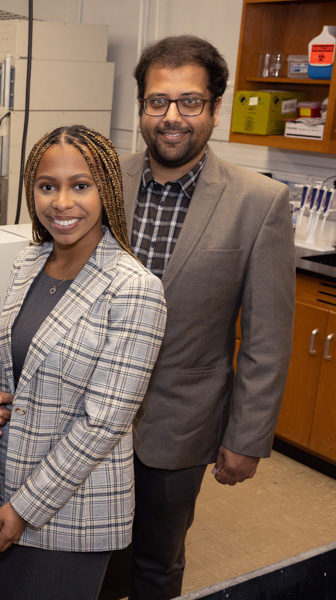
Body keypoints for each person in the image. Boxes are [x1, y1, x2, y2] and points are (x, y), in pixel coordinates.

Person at [120, 35, 296, 599]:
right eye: (158, 101)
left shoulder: (259, 202)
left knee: (156, 562)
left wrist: (247, 438)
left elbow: (267, 339)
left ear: (215, 109)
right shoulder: (101, 183)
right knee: (85, 555)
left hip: (180, 425)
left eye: (189, 102)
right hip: (85, 414)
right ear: (141, 107)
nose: (172, 117)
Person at [0, 125, 167, 600]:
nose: (61, 202)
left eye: (80, 185)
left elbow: (104, 423)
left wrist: (25, 507)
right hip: (3, 487)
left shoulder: (134, 287)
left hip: (72, 510)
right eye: (48, 186)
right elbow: (12, 368)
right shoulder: (31, 260)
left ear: (105, 190)